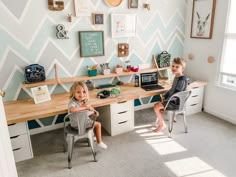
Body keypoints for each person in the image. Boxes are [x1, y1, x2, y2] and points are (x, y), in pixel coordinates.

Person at [68, 81, 107, 149]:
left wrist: (94, 112)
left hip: (83, 121)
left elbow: (88, 111)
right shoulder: (72, 102)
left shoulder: (83, 101)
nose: (81, 94)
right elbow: (72, 109)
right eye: (78, 92)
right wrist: (85, 107)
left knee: (93, 119)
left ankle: (94, 136)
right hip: (77, 124)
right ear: (73, 93)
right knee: (98, 124)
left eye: (84, 92)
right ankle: (99, 142)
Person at [153, 57, 188, 132]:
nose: (174, 68)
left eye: (177, 67)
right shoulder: (177, 77)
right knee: (160, 103)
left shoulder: (182, 80)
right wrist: (165, 95)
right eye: (173, 66)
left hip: (175, 103)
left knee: (156, 107)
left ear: (182, 69)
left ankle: (162, 125)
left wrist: (165, 101)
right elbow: (172, 89)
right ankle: (172, 116)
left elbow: (176, 95)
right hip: (172, 100)